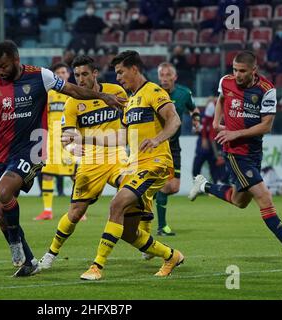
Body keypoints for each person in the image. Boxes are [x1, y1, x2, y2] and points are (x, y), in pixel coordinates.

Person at [0, 40, 125, 277]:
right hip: (4, 152)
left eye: (4, 66)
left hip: (33, 149)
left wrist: (101, 96)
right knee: (0, 213)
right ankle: (29, 261)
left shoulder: (41, 76)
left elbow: (72, 90)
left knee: (3, 192)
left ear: (16, 60)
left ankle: (14, 244)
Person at [189, 50, 282, 262]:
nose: (237, 74)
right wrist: (217, 123)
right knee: (264, 196)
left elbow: (266, 126)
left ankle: (204, 186)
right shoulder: (226, 81)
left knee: (239, 201)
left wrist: (237, 132)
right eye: (234, 69)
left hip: (254, 152)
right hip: (235, 152)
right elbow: (221, 99)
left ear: (254, 70)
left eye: (242, 71)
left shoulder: (266, 90)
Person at [77, 51, 184, 281]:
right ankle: (171, 256)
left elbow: (174, 119)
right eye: (116, 73)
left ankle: (96, 267)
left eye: (121, 72)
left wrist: (157, 139)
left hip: (155, 164)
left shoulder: (153, 91)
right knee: (127, 231)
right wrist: (83, 139)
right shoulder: (131, 100)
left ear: (134, 69)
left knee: (117, 204)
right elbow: (119, 138)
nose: (118, 78)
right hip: (136, 167)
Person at [37, 55, 128, 269]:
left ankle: (144, 241)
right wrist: (71, 147)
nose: (80, 79)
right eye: (77, 75)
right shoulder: (72, 103)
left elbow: (129, 121)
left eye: (84, 74)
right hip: (91, 161)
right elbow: (67, 136)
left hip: (118, 156)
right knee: (76, 212)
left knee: (132, 192)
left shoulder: (116, 92)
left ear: (95, 73)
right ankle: (52, 252)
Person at [152, 62, 200, 237]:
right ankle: (162, 227)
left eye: (167, 75)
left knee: (173, 187)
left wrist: (196, 121)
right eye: (161, 75)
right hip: (157, 146)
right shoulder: (153, 93)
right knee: (165, 186)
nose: (164, 78)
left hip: (174, 146)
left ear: (175, 77)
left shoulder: (183, 93)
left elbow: (193, 109)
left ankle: (149, 196)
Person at [34, 62, 76, 220]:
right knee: (47, 174)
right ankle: (47, 210)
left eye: (63, 72)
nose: (61, 74)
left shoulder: (73, 93)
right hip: (51, 139)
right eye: (57, 72)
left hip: (68, 138)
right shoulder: (48, 94)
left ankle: (78, 209)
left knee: (74, 175)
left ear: (68, 74)